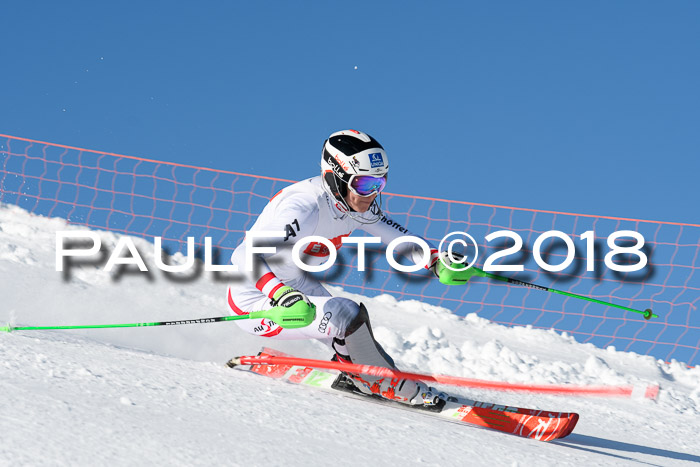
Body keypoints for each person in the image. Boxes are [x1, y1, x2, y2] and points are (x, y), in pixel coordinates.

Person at [228, 129, 456, 406]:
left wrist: (434, 259)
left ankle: (372, 376)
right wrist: (280, 294)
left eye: (379, 184)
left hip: (295, 285)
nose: (371, 195)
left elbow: (397, 237)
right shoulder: (304, 206)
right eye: (363, 185)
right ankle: (383, 383)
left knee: (360, 339)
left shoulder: (354, 204)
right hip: (256, 300)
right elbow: (244, 254)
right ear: (333, 177)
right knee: (344, 313)